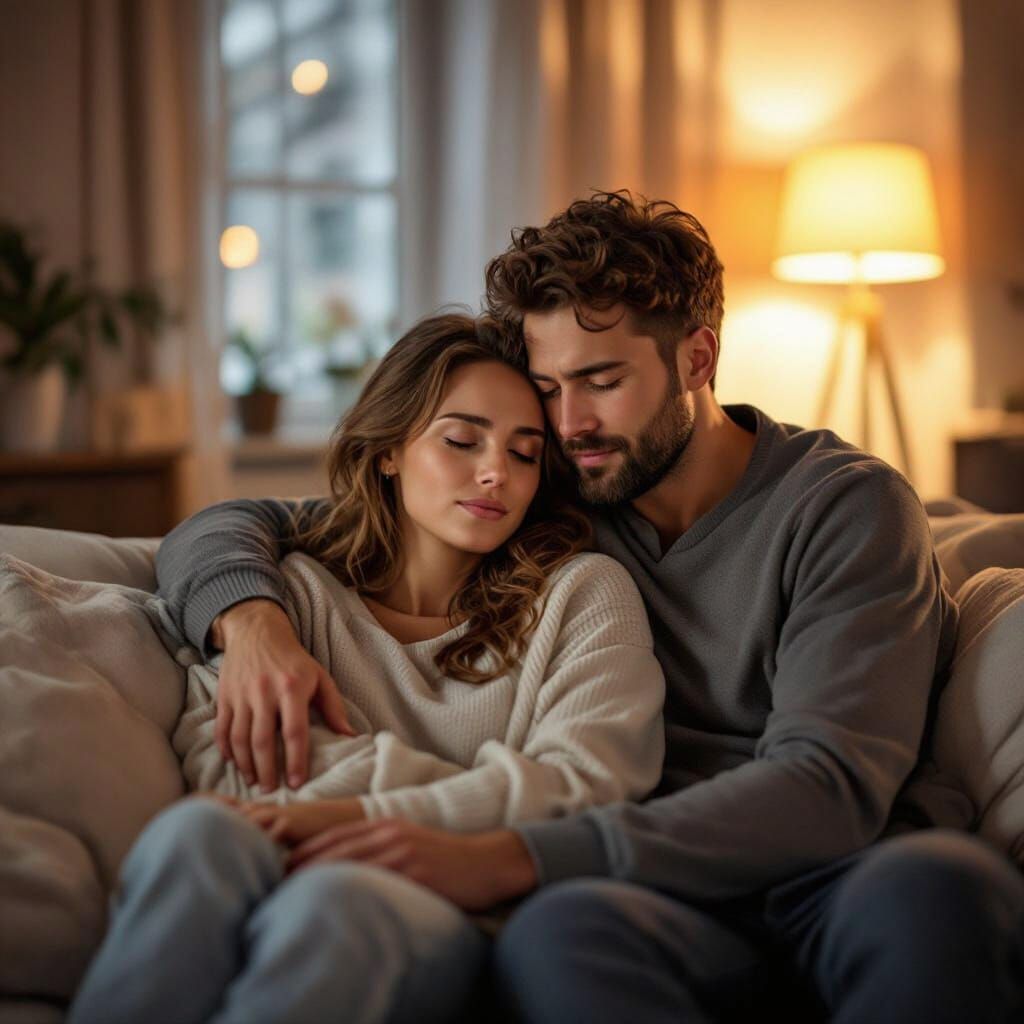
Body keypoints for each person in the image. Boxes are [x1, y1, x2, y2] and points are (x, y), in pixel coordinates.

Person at [150, 192, 1024, 1023]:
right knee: (556, 937)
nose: (567, 424)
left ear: (698, 358)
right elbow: (249, 524)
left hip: (832, 875)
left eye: (601, 380)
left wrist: (515, 853)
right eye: (549, 388)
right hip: (653, 901)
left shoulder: (844, 507)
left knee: (938, 887)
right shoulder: (557, 488)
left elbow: (828, 788)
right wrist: (252, 621)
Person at [67, 312, 666, 1024]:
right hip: (272, 859)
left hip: (461, 912)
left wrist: (350, 813)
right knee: (197, 833)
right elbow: (231, 766)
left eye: (525, 452)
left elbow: (588, 787)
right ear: (389, 450)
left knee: (335, 901)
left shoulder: (583, 594)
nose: (493, 472)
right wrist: (469, 794)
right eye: (461, 439)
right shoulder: (286, 593)